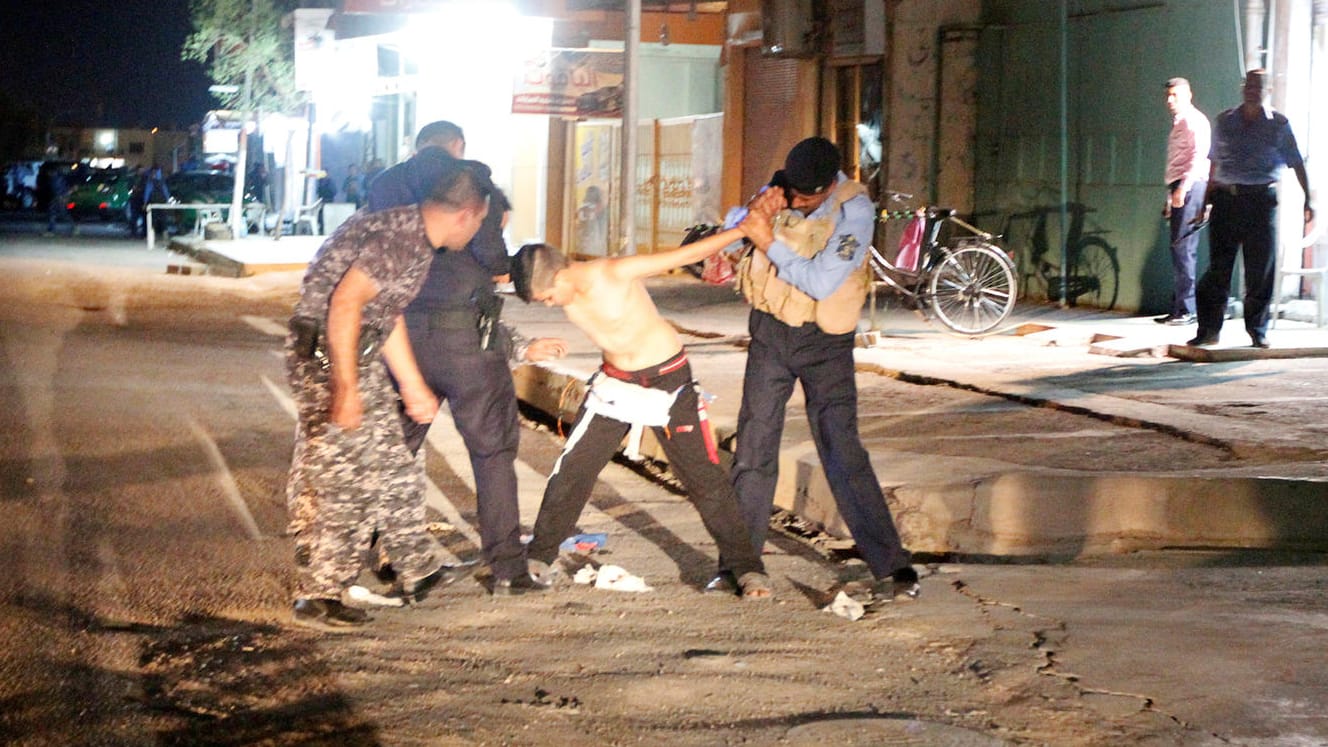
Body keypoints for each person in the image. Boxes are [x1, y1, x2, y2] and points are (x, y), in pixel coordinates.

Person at [284, 163, 493, 630]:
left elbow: (384, 313)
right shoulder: (400, 240)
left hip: (357, 350)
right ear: (466, 214)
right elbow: (345, 304)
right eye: (481, 221)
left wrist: (413, 383)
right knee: (350, 481)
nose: (478, 231)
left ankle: (417, 569)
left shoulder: (412, 235)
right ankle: (319, 593)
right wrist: (345, 389)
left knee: (396, 465)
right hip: (327, 356)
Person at [511, 230, 772, 599]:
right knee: (573, 468)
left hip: (669, 382)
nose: (551, 305)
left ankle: (748, 569)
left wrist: (744, 229)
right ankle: (540, 555)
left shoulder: (613, 273)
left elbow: (687, 254)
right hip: (614, 385)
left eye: (549, 298)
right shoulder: (562, 287)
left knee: (704, 479)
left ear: (560, 276)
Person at [368, 120, 567, 596]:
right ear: (457, 147)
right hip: (467, 342)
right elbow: (496, 262)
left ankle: (374, 549)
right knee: (492, 454)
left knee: (394, 451)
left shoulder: (382, 185)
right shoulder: (475, 188)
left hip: (401, 335)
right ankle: (506, 568)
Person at [729, 136, 918, 601]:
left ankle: (891, 566)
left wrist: (767, 237)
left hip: (824, 342)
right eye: (792, 193)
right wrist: (753, 209)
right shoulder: (782, 187)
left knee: (842, 449)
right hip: (772, 332)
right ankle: (740, 565)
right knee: (753, 448)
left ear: (829, 185)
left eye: (804, 197)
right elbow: (733, 225)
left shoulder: (854, 211)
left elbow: (819, 280)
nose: (795, 201)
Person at [1188, 69, 1315, 349]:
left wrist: (1309, 198)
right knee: (1218, 269)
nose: (1252, 90)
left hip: (1260, 202)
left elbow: (1296, 162)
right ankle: (1209, 329)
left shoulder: (1279, 124)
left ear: (1268, 89)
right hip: (1226, 200)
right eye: (1249, 84)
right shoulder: (1225, 120)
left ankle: (1257, 330)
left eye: (1259, 85)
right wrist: (1207, 200)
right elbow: (1214, 162)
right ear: (1242, 87)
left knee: (1260, 269)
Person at [1156, 77, 1210, 326]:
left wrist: (1182, 189)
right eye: (1168, 95)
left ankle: (1187, 310)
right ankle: (1178, 307)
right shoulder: (1179, 122)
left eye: (1175, 95)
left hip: (1190, 186)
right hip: (1179, 186)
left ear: (1188, 94)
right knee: (1178, 249)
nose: (1169, 100)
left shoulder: (1194, 121)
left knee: (1184, 249)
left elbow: (1198, 158)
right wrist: (1171, 195)